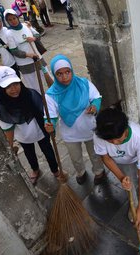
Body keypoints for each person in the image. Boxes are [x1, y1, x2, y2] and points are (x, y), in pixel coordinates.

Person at [44, 55, 108, 185]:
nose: (65, 76)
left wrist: (94, 106)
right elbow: (51, 116)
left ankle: (99, 171)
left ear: (72, 70)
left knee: (95, 153)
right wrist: (49, 125)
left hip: (90, 128)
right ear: (55, 76)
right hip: (70, 133)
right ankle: (81, 172)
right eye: (59, 74)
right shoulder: (51, 95)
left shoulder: (84, 84)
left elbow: (97, 97)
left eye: (67, 72)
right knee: (76, 157)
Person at [0, 66, 61, 185]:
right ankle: (35, 169)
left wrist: (50, 126)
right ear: (0, 88)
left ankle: (55, 169)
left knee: (48, 151)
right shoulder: (2, 109)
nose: (14, 89)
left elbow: (45, 111)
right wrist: (10, 147)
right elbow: (8, 130)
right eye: (8, 86)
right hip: (24, 137)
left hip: (40, 131)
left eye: (16, 84)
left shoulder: (31, 94)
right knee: (29, 153)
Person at [93, 108, 140, 231]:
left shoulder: (138, 137)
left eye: (119, 139)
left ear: (125, 130)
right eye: (109, 140)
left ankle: (138, 202)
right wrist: (122, 178)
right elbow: (106, 158)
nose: (114, 143)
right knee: (131, 183)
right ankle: (133, 204)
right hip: (119, 161)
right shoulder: (100, 135)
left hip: (133, 157)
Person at [4, 9, 50, 93]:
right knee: (34, 86)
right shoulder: (9, 33)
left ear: (17, 17)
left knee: (48, 78)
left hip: (38, 57)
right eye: (9, 20)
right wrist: (28, 55)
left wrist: (34, 38)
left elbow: (38, 35)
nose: (13, 21)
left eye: (14, 18)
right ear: (7, 21)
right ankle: (40, 102)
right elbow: (14, 51)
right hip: (25, 64)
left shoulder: (25, 25)